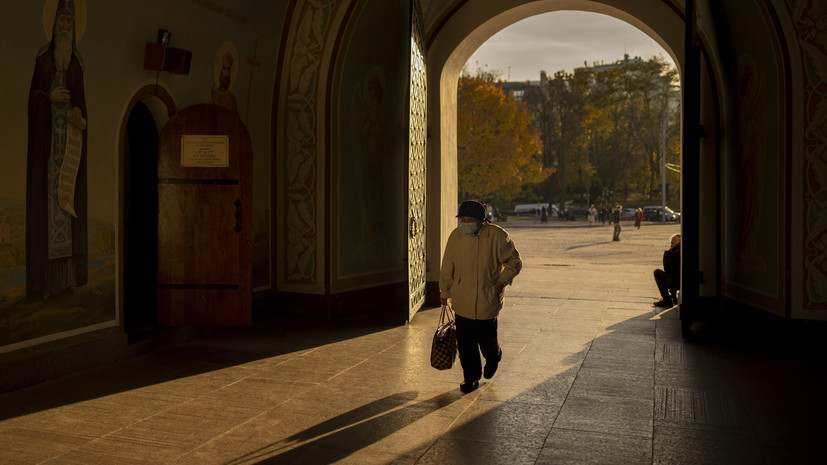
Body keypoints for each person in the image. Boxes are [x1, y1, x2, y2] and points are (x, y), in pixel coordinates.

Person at [27, 0, 88, 300]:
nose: (66, 26)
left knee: (68, 211)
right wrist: (48, 98)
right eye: (62, 20)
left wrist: (78, 114)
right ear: (53, 24)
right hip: (48, 151)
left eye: (70, 22)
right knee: (50, 213)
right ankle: (48, 283)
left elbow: (82, 105)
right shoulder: (43, 60)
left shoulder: (76, 63)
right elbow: (32, 100)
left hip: (70, 152)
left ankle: (68, 279)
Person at [439, 200, 522, 393]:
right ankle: (471, 377)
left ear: (481, 221)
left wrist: (501, 283)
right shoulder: (456, 236)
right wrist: (445, 292)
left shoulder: (497, 236)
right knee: (466, 345)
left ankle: (494, 356)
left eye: (470, 220)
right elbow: (447, 266)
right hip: (462, 300)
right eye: (463, 219)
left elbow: (514, 261)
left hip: (487, 299)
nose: (466, 223)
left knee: (487, 341)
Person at [654, 234, 681, 307]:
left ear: (678, 242)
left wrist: (667, 253)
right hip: (679, 279)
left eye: (673, 243)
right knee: (671, 274)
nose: (671, 245)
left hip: (677, 281)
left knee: (657, 272)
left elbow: (667, 267)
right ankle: (673, 298)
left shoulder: (676, 252)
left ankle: (667, 300)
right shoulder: (679, 250)